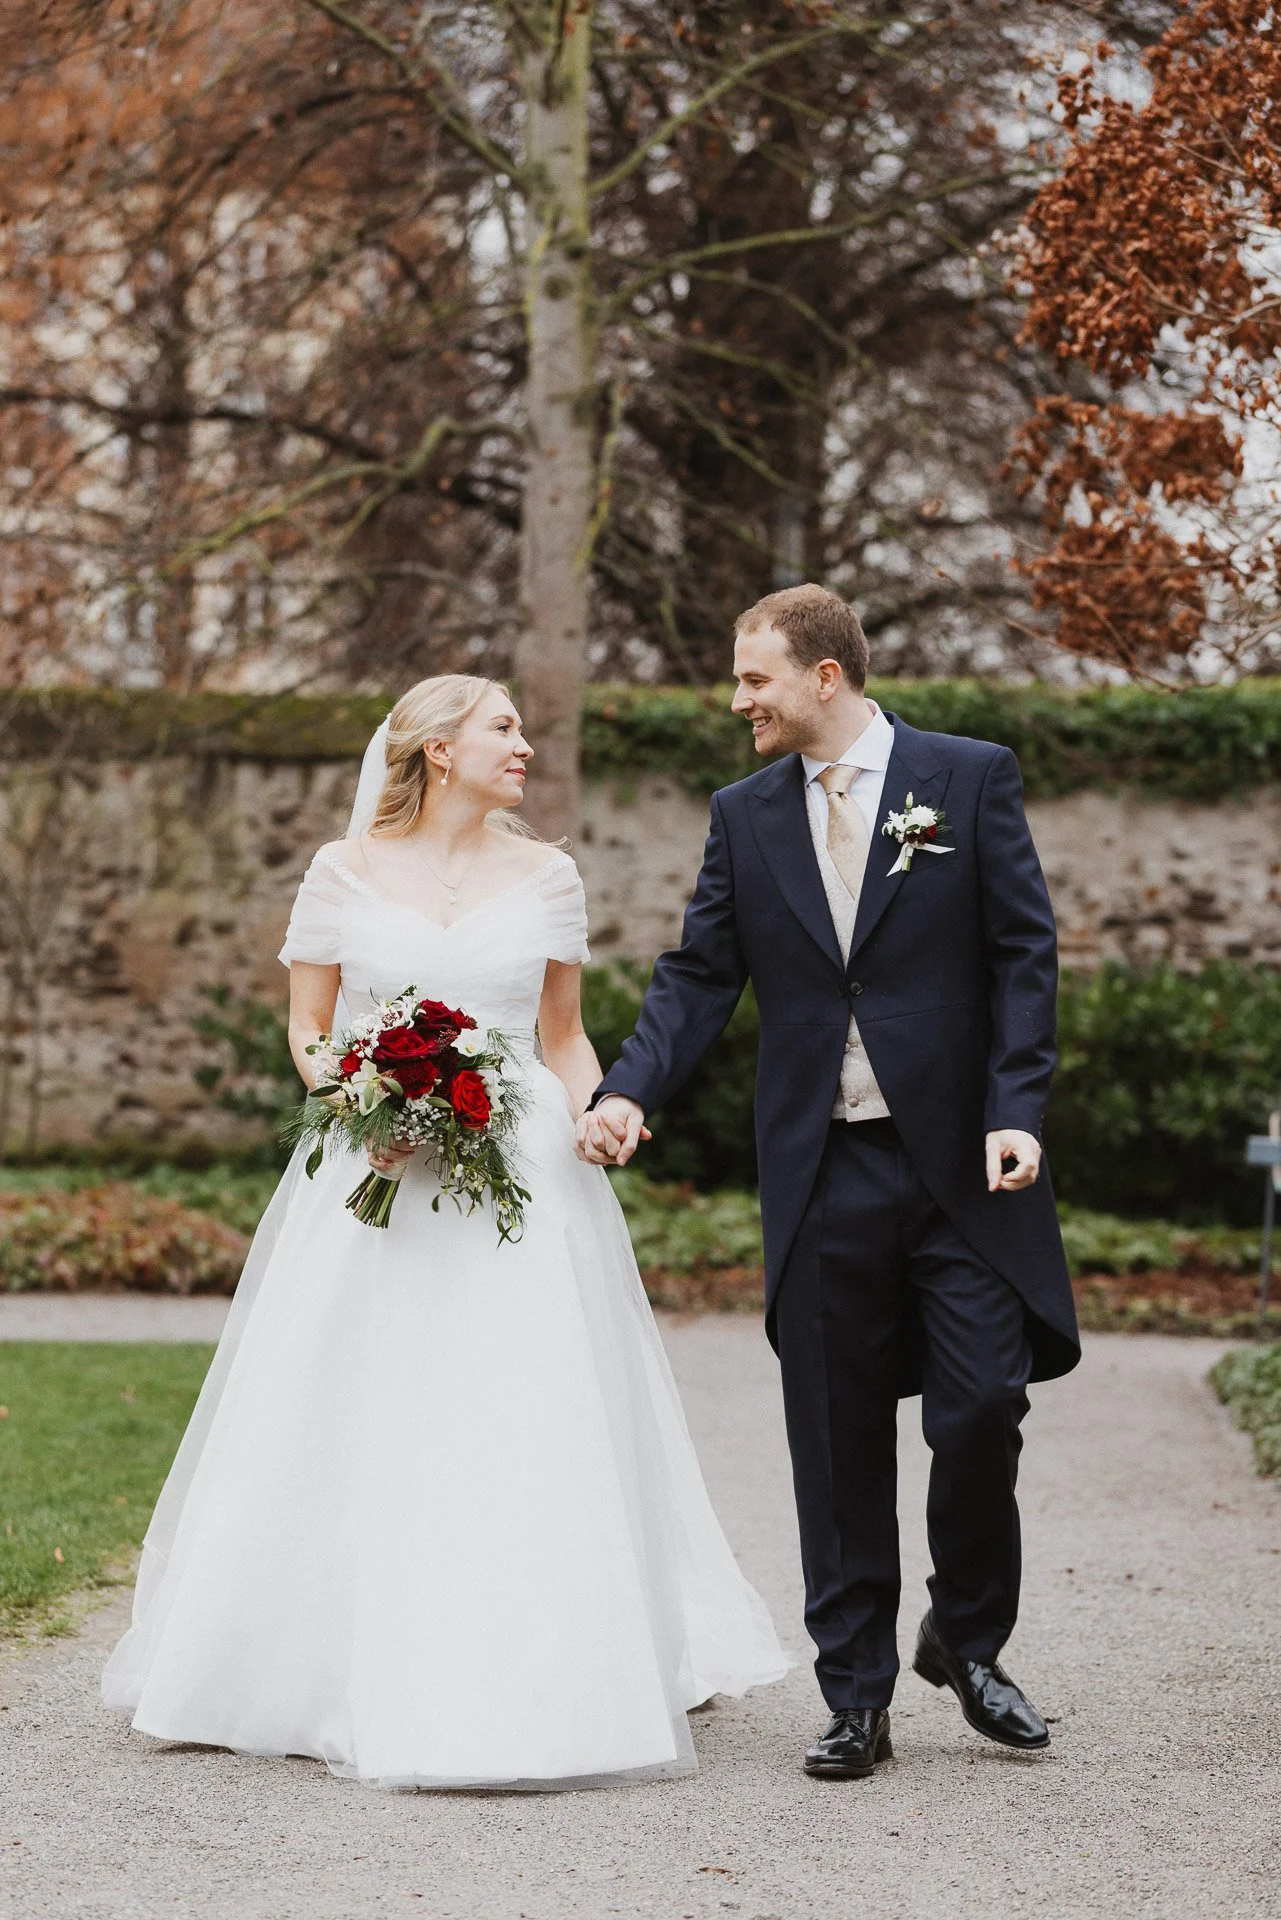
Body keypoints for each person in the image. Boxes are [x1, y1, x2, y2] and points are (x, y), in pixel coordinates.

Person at [102, 673, 789, 1791]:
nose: (525, 746)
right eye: (503, 728)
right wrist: (360, 1101)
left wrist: (604, 1109)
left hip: (519, 1176)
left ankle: (544, 1653)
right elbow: (309, 1026)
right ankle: (296, 1655)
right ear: (434, 748)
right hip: (373, 1171)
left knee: (522, 1399)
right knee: (351, 1393)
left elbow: (562, 1038)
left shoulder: (550, 876)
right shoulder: (342, 872)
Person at [579, 584, 1080, 1780]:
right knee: (836, 1434)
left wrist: (1018, 1110)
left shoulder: (965, 779)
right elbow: (699, 973)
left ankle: (964, 1636)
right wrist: (630, 1089)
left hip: (962, 1165)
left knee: (979, 1411)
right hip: (822, 1166)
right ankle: (854, 1694)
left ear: (824, 676)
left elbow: (1024, 953)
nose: (737, 699)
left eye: (755, 678)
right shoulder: (745, 815)